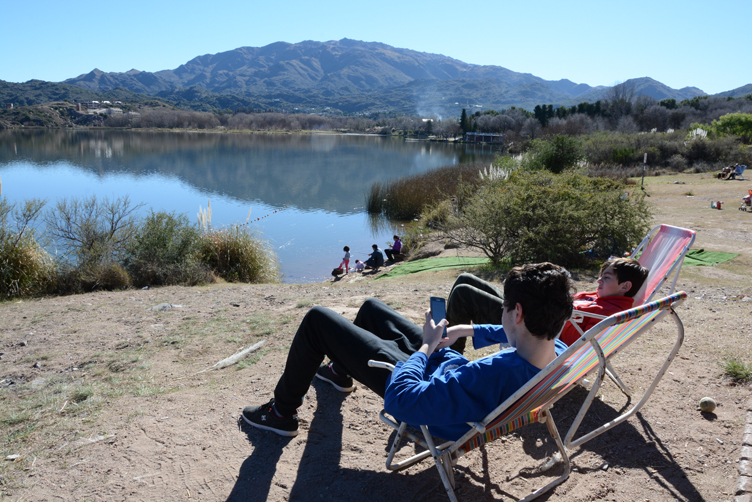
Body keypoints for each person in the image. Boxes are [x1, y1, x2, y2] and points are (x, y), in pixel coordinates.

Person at [241, 262, 574, 440]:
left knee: (317, 319)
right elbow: (516, 334)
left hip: (424, 393)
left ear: (516, 314)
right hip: (448, 376)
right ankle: (339, 370)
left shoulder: (491, 373)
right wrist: (467, 329)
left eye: (504, 309)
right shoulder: (557, 350)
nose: (502, 315)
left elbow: (404, 400)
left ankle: (281, 414)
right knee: (372, 308)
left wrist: (427, 347)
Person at [445, 257, 649, 353]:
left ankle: (449, 355)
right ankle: (442, 341)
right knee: (466, 278)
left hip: (531, 325)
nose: (599, 282)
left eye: (606, 278)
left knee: (464, 293)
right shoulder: (598, 297)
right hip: (534, 307)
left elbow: (577, 344)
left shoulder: (611, 315)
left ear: (625, 286)